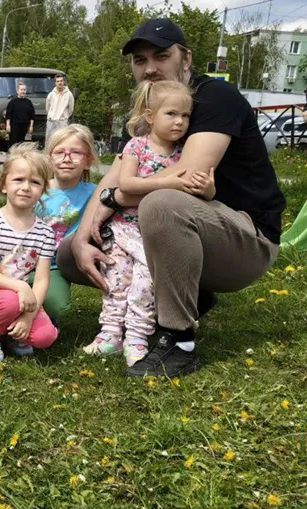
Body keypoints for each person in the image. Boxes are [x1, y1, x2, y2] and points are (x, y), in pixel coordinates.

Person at [57, 18, 286, 378]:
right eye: (139, 60)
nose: (150, 68)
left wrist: (115, 198)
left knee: (161, 203)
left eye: (161, 56)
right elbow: (113, 179)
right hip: (194, 233)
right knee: (72, 252)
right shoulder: (153, 112)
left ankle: (178, 341)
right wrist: (86, 232)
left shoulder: (213, 98)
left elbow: (185, 179)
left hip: (246, 238)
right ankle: (187, 296)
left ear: (187, 59)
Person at [84, 80, 204, 366]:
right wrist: (167, 182)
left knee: (144, 285)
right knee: (116, 281)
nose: (179, 122)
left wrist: (204, 187)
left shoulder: (184, 152)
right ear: (151, 116)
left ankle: (137, 337)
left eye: (185, 116)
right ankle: (110, 334)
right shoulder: (136, 146)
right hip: (124, 229)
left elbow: (197, 188)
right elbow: (125, 183)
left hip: (152, 235)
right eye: (171, 114)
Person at [0, 144, 58, 365]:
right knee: (8, 302)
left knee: (46, 337)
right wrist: (21, 287)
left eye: (35, 182)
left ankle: (14, 334)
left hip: (20, 299)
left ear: (43, 190)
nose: (26, 187)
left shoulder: (45, 232)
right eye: (19, 180)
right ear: (4, 185)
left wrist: (28, 317)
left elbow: (43, 279)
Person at [34, 124, 99, 322]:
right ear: (49, 159)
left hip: (59, 267)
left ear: (88, 161)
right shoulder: (36, 190)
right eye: (59, 152)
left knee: (58, 309)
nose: (67, 158)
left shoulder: (95, 193)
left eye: (76, 152)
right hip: (29, 262)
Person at [6, 82, 35, 146]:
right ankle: (12, 155)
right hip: (14, 125)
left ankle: (19, 155)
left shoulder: (28, 102)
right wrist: (8, 125)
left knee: (22, 142)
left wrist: (31, 126)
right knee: (13, 142)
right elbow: (8, 114)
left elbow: (32, 115)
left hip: (24, 125)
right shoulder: (12, 102)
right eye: (21, 90)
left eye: (24, 90)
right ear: (17, 91)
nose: (23, 91)